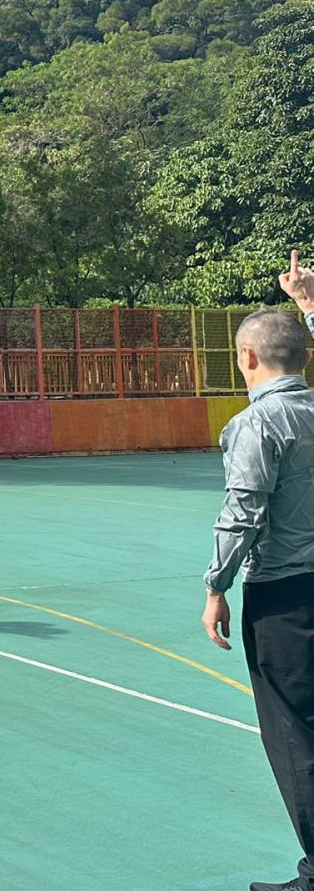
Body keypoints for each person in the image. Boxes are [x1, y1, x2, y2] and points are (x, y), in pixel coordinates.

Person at [204, 258, 314, 891]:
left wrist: (216, 585)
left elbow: (243, 511)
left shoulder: (257, 424)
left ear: (245, 357)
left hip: (287, 596)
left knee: (296, 735)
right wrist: (309, 306)